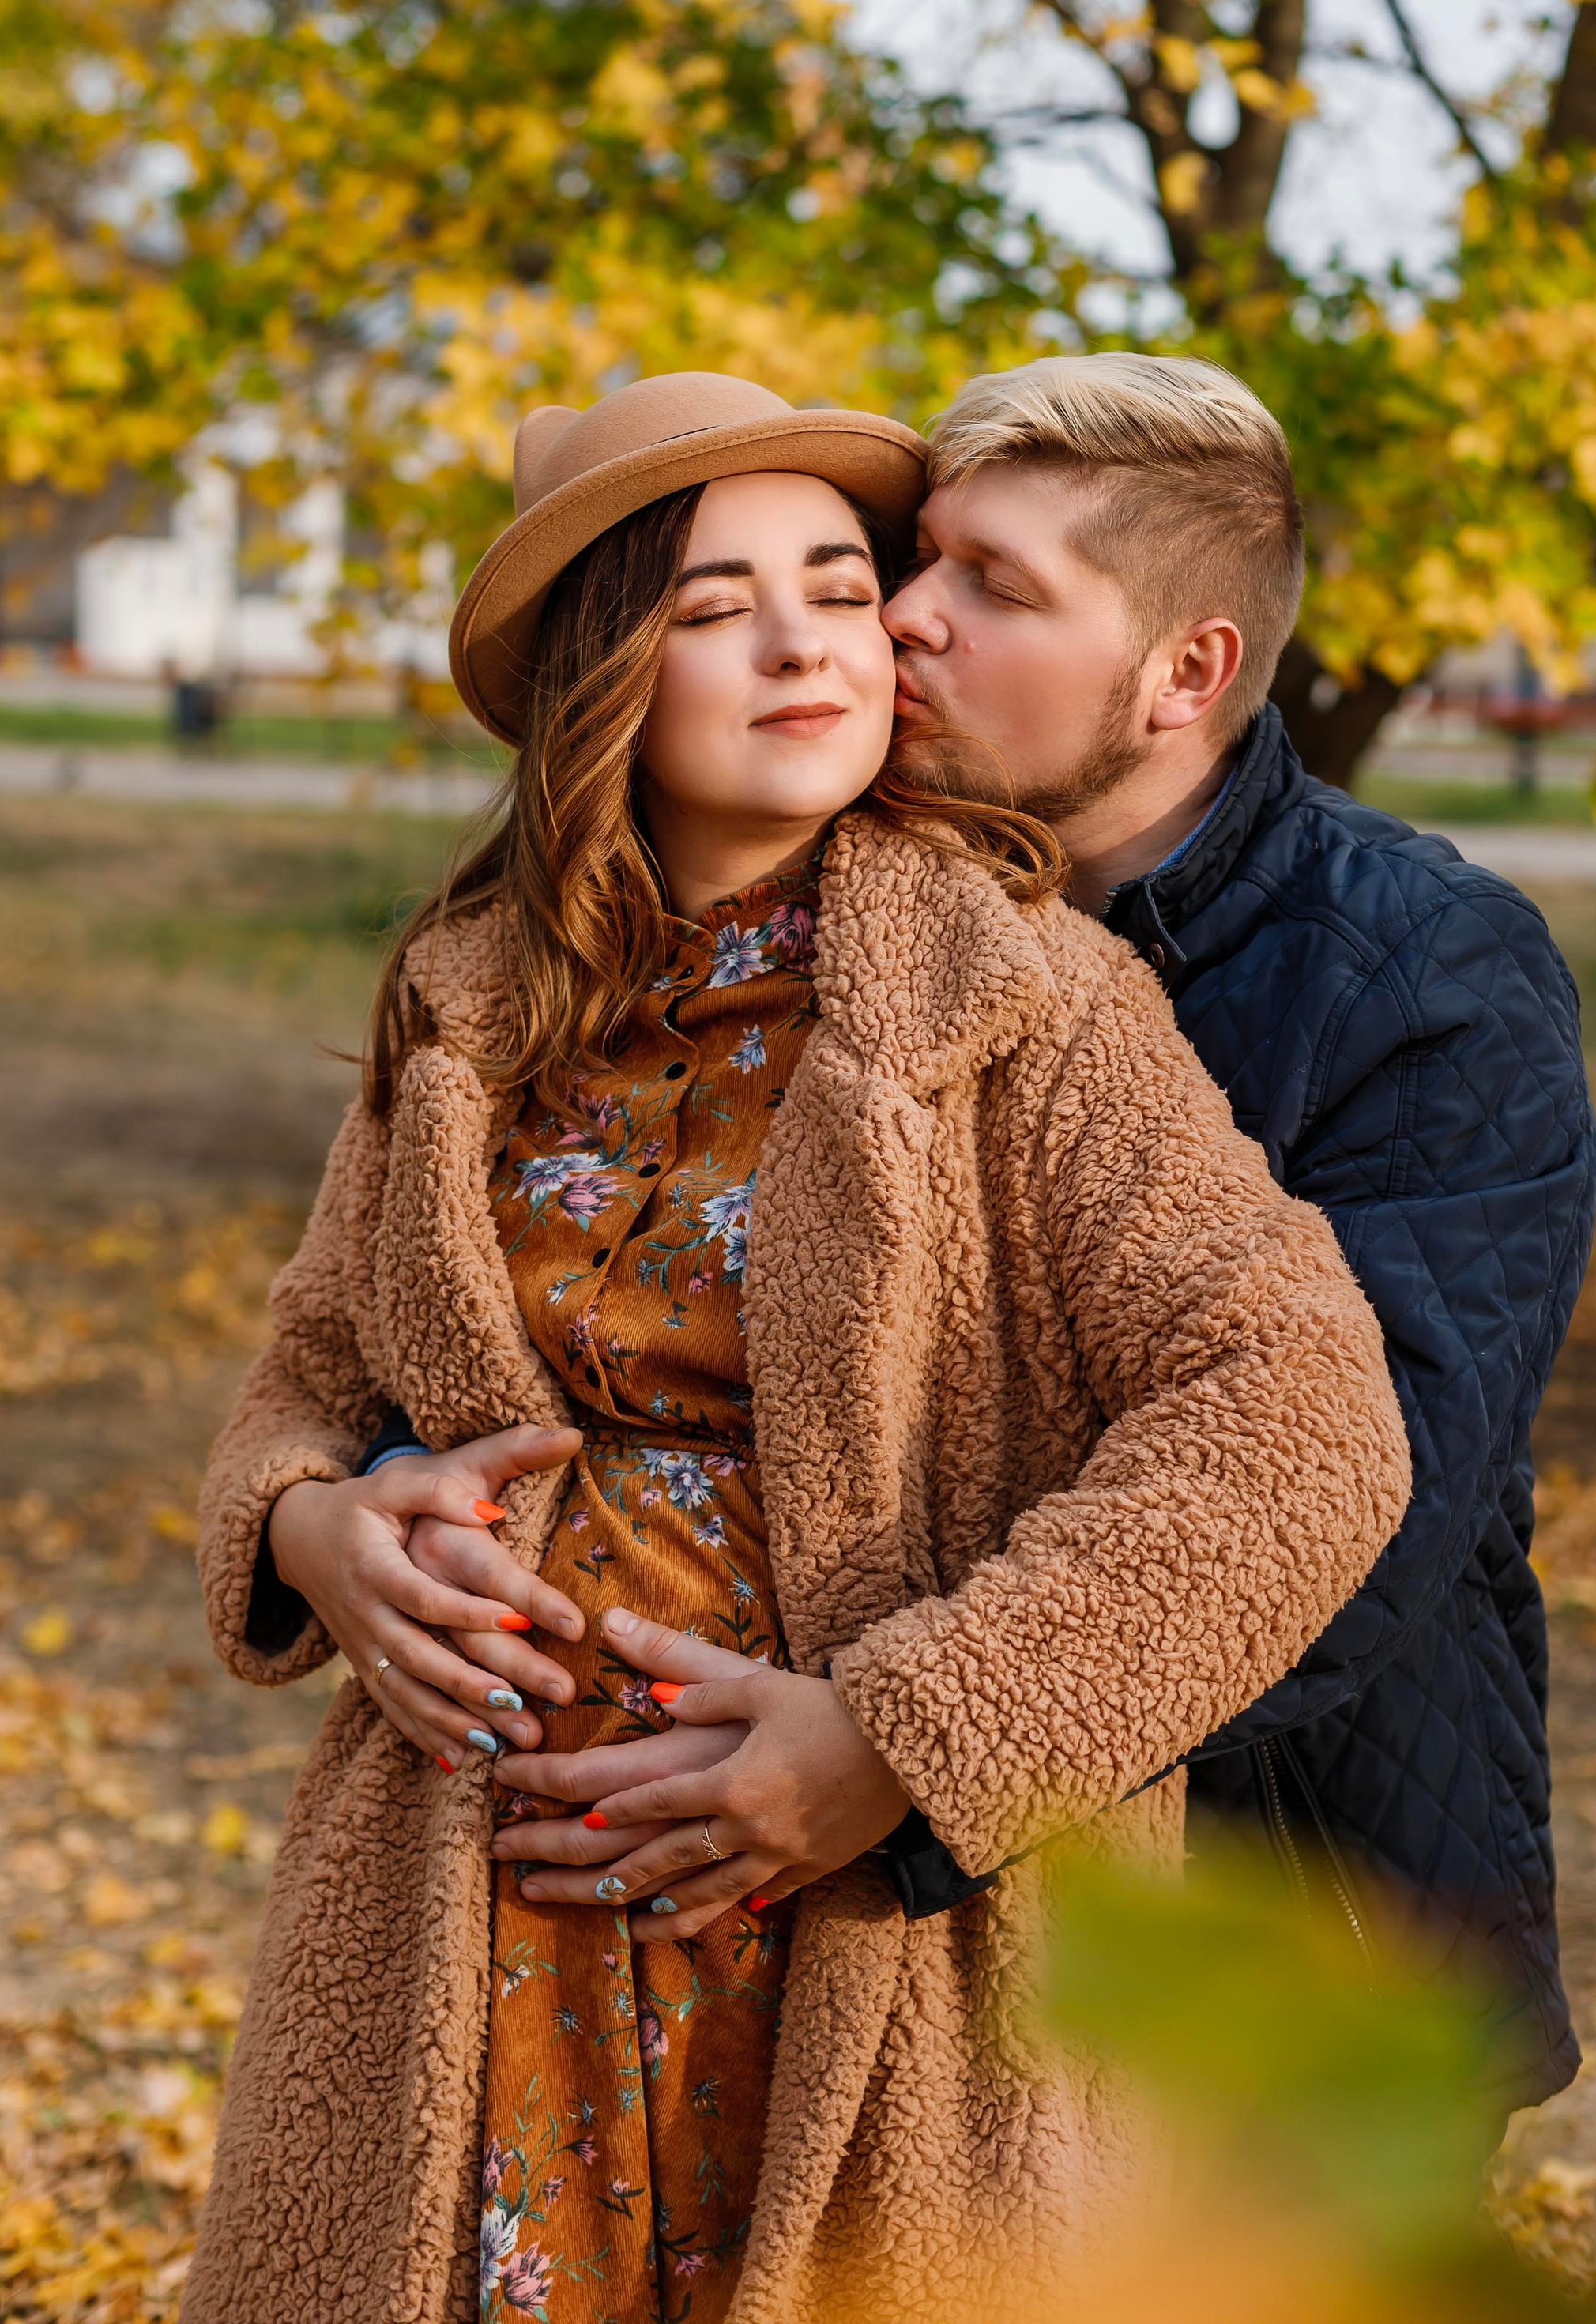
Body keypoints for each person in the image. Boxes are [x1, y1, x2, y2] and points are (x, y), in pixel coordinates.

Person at [184, 370, 1410, 2324]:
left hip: (841, 1923)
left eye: (841, 587)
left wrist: (905, 1743)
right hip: (472, 1919)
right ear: (604, 674)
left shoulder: (1027, 1004)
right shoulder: (464, 1001)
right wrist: (313, 1531)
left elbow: (1301, 1425)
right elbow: (306, 1380)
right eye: (710, 604)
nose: (803, 642)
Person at [329, 351, 1596, 2130]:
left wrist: (893, 1750)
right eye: (910, 559)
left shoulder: (1415, 980)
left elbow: (1352, 1509)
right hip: (816, 1922)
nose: (900, 621)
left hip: (1289, 1926)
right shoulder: (811, 908)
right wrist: (363, 1501)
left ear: (1183, 672)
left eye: (991, 585)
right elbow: (615, 1300)